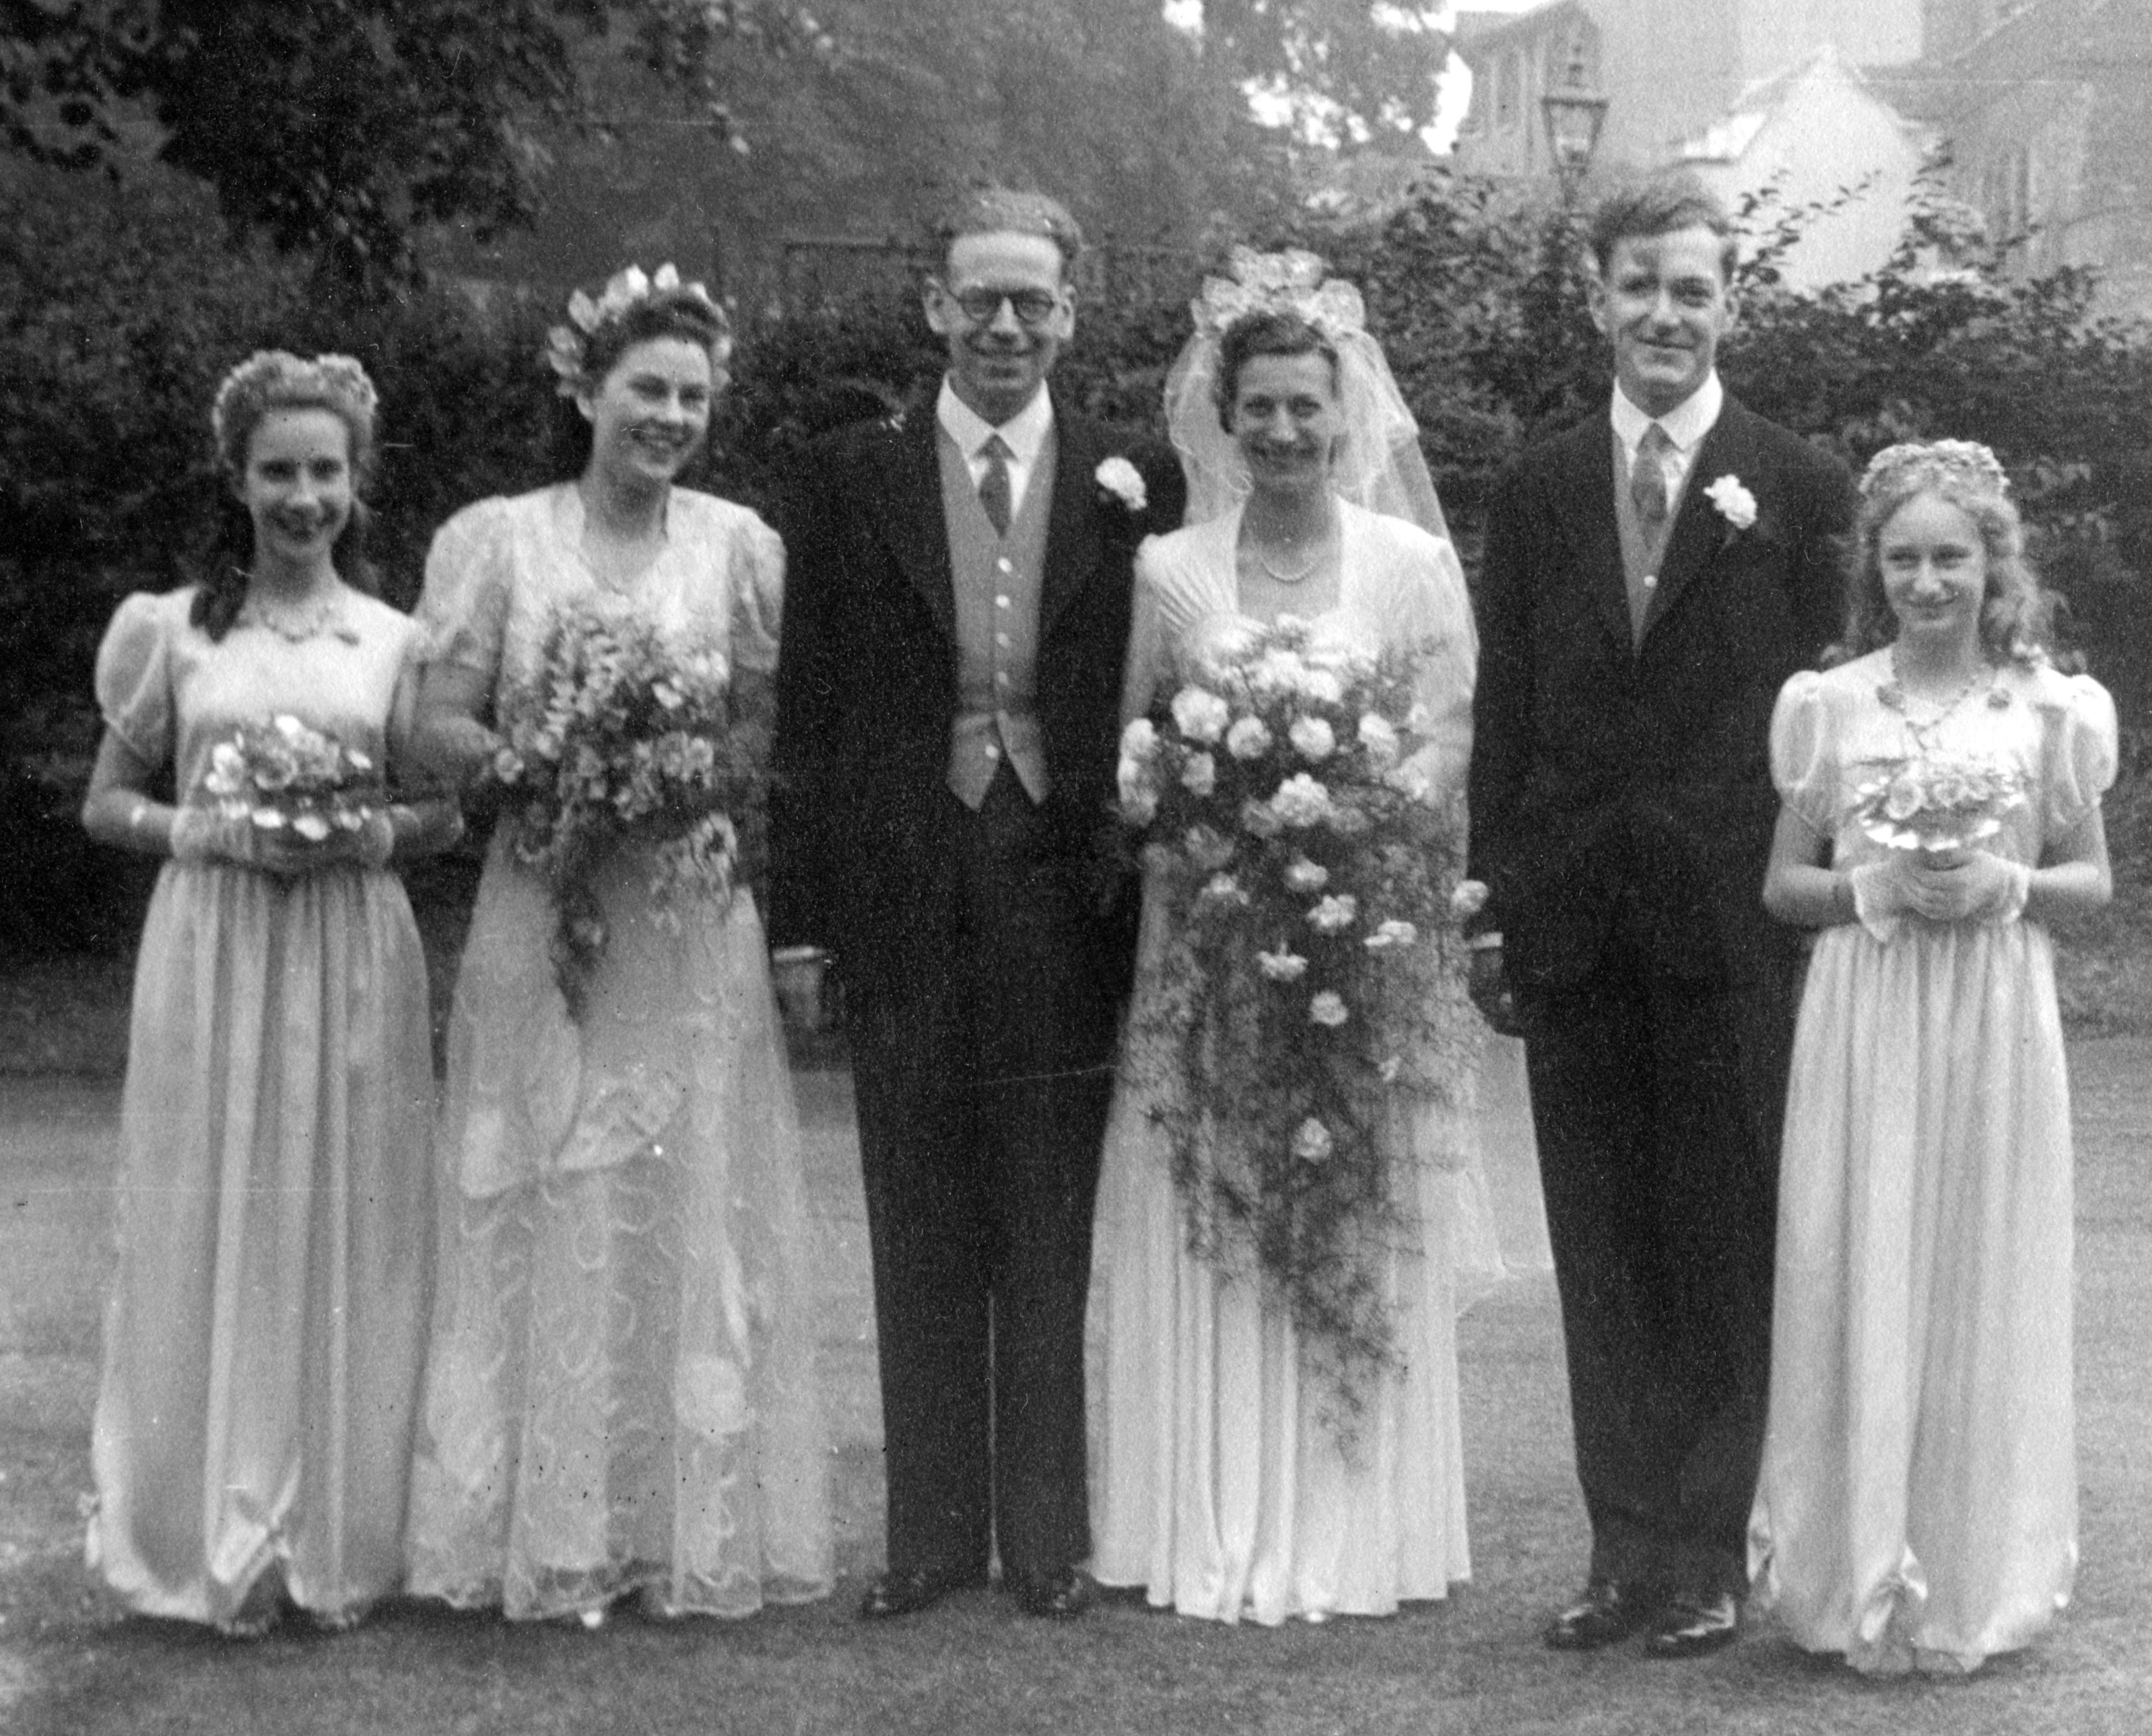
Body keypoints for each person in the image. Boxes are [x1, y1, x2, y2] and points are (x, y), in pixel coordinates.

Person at [1088, 251, 1543, 1626]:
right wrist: (1207, 816)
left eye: (1306, 406)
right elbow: (1134, 747)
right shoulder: (1169, 570)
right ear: (1221, 418)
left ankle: (1356, 1531)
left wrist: (1355, 817)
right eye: (1260, 408)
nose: (1283, 431)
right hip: (1214, 952)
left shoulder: (1406, 564)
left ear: (1346, 417)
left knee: (1348, 1211)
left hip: (1358, 941)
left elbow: (1454, 732)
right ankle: (1211, 1515)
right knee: (1218, 1212)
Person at [768, 187, 1184, 1621]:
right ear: (934, 307)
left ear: (1070, 315)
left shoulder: (1133, 476)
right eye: (979, 299)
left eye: (1034, 301)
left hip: (1063, 884)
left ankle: (1046, 1536)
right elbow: (807, 709)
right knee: (916, 1198)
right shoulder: (844, 475)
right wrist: (802, 920)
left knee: (1048, 1202)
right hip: (900, 877)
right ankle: (931, 1532)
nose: (1006, 325)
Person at [403, 264, 834, 1623]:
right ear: (584, 390)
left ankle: (675, 1524)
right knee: (540, 1182)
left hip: (684, 918)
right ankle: (540, 1532)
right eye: (646, 387)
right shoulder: (498, 539)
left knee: (688, 1197)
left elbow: (773, 722)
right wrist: (548, 754)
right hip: (544, 905)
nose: (669, 415)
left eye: (693, 396)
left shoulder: (738, 546)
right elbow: (429, 720)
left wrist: (681, 771)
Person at [1463, 177, 1856, 1658]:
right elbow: (1504, 708)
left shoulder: (1796, 483)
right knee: (1601, 1245)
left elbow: (1828, 714)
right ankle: (1618, 1541)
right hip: (1571, 921)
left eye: (1689, 290)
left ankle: (1704, 1548)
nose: (1662, 316)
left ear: (1728, 301)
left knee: (1718, 1237)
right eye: (1637, 287)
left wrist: (1804, 898)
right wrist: (1494, 903)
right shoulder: (1537, 484)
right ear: (1594, 294)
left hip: (1727, 928)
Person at [81, 351, 457, 1635]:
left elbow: (444, 811)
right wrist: (210, 829)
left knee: (349, 1222)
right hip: (216, 944)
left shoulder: (398, 640)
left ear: (358, 486)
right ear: (236, 480)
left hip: (352, 947)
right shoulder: (175, 629)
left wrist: (364, 835)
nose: (304, 497)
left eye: (326, 473)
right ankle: (206, 1530)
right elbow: (106, 803)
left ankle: (335, 1536)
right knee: (216, 1219)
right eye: (279, 472)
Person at [1749, 440, 2113, 1675]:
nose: (1927, 581)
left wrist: (2009, 877)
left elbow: (2092, 879)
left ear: (1993, 562)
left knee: (1976, 1263)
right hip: (1868, 1010)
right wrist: (1877, 883)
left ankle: (1968, 1575)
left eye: (1950, 555)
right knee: (1858, 1257)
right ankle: (1846, 1569)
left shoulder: (2048, 706)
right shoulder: (1831, 702)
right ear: (1876, 569)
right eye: (1903, 558)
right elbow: (1784, 886)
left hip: (1995, 1016)